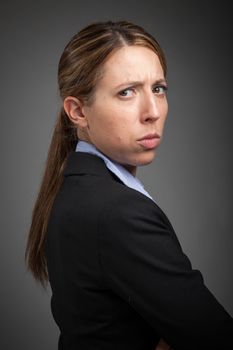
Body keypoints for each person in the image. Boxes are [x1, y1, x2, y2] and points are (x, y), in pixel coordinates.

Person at [25, 20, 233, 350]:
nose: (152, 111)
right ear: (77, 111)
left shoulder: (79, 191)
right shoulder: (117, 212)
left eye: (158, 89)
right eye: (127, 92)